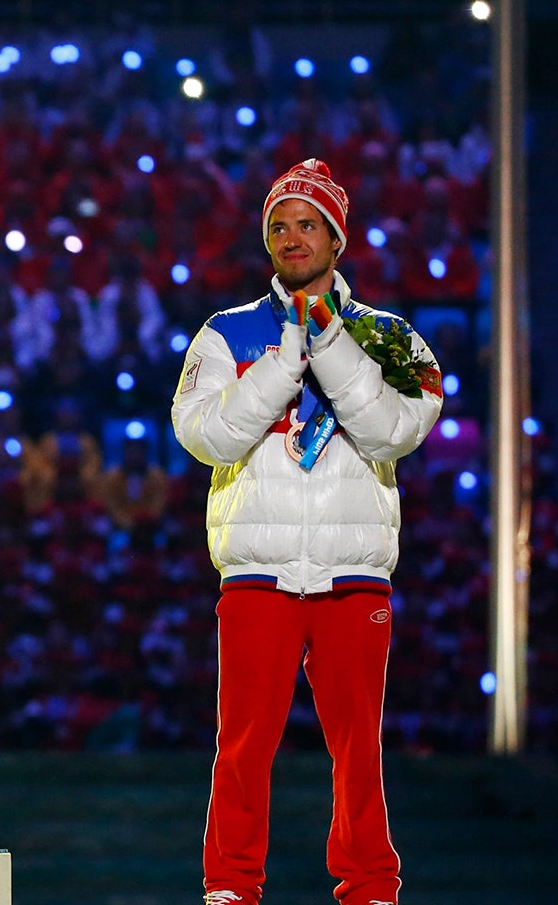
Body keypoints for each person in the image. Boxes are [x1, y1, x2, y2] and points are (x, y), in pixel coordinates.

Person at [172, 159, 442, 905]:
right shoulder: (226, 334)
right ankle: (230, 887)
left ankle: (369, 885)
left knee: (358, 750)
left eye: (307, 225)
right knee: (243, 745)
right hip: (258, 569)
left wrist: (327, 343)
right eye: (279, 227)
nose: (293, 238)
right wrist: (285, 357)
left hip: (354, 572)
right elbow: (208, 438)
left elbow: (394, 432)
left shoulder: (393, 337)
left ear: (336, 238)